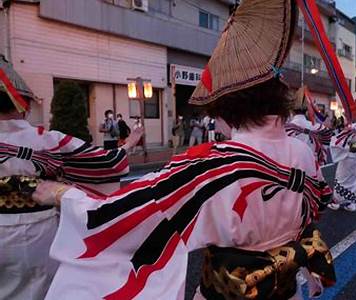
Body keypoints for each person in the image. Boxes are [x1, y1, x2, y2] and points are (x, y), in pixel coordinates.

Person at [31, 1, 336, 298]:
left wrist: (60, 193)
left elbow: (121, 211)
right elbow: (318, 203)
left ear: (226, 108)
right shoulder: (302, 152)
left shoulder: (214, 163)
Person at [0, 56, 142, 300]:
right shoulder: (46, 139)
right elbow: (103, 161)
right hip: (39, 231)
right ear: (22, 104)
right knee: (45, 289)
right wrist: (128, 144)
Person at [328, 106, 356, 212]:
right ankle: (351, 203)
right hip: (352, 155)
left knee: (341, 177)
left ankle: (337, 202)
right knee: (351, 178)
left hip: (348, 153)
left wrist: (354, 135)